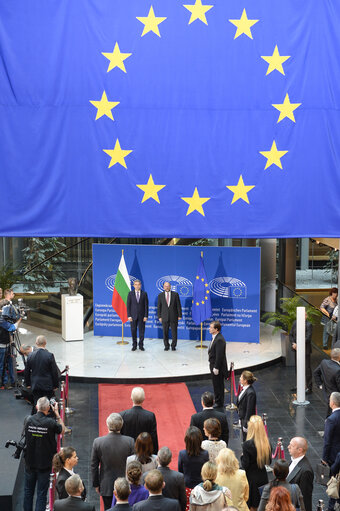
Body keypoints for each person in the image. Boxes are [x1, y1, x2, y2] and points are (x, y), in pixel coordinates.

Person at [24, 396, 65, 511]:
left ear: (36, 407)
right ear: (48, 408)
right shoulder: (50, 423)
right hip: (45, 464)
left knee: (28, 492)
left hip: (30, 462)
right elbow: (62, 430)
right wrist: (57, 413)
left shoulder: (28, 420)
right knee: (41, 494)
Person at [91, 412, 135, 510]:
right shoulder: (130, 441)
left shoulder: (98, 442)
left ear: (107, 425)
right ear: (122, 424)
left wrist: (96, 484)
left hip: (106, 485)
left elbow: (94, 465)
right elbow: (133, 465)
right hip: (126, 484)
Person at [241, 415, 272, 511]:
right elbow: (269, 462)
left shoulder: (247, 445)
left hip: (251, 479)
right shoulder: (267, 443)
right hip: (263, 477)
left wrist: (242, 456)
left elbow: (245, 465)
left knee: (252, 506)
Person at [120, 387, 158, 453]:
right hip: (145, 453)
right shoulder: (150, 416)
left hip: (127, 453)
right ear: (143, 399)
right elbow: (153, 438)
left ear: (131, 398)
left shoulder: (122, 415)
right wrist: (154, 455)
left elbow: (120, 437)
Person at [178, 426, 209, 507]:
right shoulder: (205, 454)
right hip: (201, 487)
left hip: (187, 487)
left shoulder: (182, 454)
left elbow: (180, 472)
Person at [24, 335, 60, 406]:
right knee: (49, 404)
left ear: (36, 343)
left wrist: (28, 384)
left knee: (36, 403)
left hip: (35, 384)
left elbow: (27, 371)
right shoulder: (49, 355)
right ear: (45, 343)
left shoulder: (30, 355)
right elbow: (54, 372)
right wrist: (56, 385)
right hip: (47, 384)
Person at [286, 437, 314, 511]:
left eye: (291, 446)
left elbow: (304, 498)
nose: (288, 447)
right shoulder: (293, 460)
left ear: (299, 450)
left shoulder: (306, 471)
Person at [156, 446, 186, 511]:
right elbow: (183, 500)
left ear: (157, 458)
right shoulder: (179, 477)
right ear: (170, 460)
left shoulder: (147, 476)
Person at [0, 299, 21, 389]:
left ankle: (13, 381)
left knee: (11, 363)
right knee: (2, 365)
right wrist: (19, 320)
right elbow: (11, 328)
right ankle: (3, 383)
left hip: (9, 343)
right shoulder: (1, 318)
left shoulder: (6, 316)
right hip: (2, 346)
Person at [289, 314, 313, 393]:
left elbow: (308, 337)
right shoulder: (295, 323)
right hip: (296, 349)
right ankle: (299, 385)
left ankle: (309, 387)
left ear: (306, 316)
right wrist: (293, 343)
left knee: (307, 368)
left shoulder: (309, 325)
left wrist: (298, 344)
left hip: (305, 350)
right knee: (297, 367)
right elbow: (291, 334)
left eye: (304, 315)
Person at [314, 348, 340, 416]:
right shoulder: (338, 370)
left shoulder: (324, 362)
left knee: (329, 413)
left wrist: (320, 385)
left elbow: (316, 373)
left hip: (327, 394)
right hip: (336, 397)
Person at [208, 321, 228, 408]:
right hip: (213, 365)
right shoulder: (214, 337)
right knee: (216, 384)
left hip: (218, 367)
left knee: (218, 384)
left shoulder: (219, 339)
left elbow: (219, 355)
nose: (209, 328)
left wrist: (216, 367)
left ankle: (219, 402)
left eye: (211, 327)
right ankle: (217, 400)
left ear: (216, 329)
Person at [157, 281, 182, 351]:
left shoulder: (175, 294)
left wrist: (180, 315)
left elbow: (178, 306)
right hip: (164, 317)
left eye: (168, 286)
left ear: (170, 287)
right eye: (165, 286)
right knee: (165, 332)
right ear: (163, 287)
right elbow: (159, 307)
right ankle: (166, 346)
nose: (167, 287)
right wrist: (159, 316)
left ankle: (173, 346)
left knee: (174, 332)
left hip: (174, 316)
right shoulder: (160, 295)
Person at [127, 280, 149, 351]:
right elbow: (128, 305)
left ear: (140, 285)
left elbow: (146, 306)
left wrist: (146, 316)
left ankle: (141, 345)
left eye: (138, 284)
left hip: (142, 316)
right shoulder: (130, 293)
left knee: (141, 331)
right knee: (133, 331)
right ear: (133, 286)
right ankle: (134, 345)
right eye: (135, 284)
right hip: (133, 316)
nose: (137, 286)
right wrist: (129, 316)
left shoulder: (144, 294)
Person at [236, 371, 257, 441]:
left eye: (241, 377)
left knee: (247, 439)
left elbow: (249, 410)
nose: (239, 378)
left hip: (247, 421)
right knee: (244, 439)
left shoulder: (250, 393)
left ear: (245, 380)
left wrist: (245, 424)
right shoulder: (245, 389)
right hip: (242, 418)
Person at [322, 392, 340, 467]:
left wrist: (324, 458)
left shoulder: (331, 419)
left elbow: (327, 440)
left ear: (332, 402)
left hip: (334, 455)